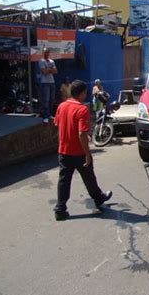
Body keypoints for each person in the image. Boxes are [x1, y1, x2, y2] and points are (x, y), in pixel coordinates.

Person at [53, 79, 113, 221]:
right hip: (78, 151)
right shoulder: (82, 109)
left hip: (63, 150)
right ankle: (98, 198)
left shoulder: (62, 106)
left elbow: (57, 124)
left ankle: (60, 208)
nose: (86, 95)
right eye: (85, 92)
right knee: (88, 176)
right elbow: (81, 133)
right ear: (80, 94)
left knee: (64, 180)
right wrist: (87, 153)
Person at [38, 48, 58, 123]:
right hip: (45, 82)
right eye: (45, 52)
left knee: (52, 99)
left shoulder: (52, 61)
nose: (47, 53)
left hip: (52, 82)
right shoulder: (41, 61)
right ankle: (45, 116)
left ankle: (49, 114)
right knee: (46, 100)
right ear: (43, 53)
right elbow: (44, 71)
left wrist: (48, 69)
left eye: (48, 52)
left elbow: (56, 71)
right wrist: (50, 70)